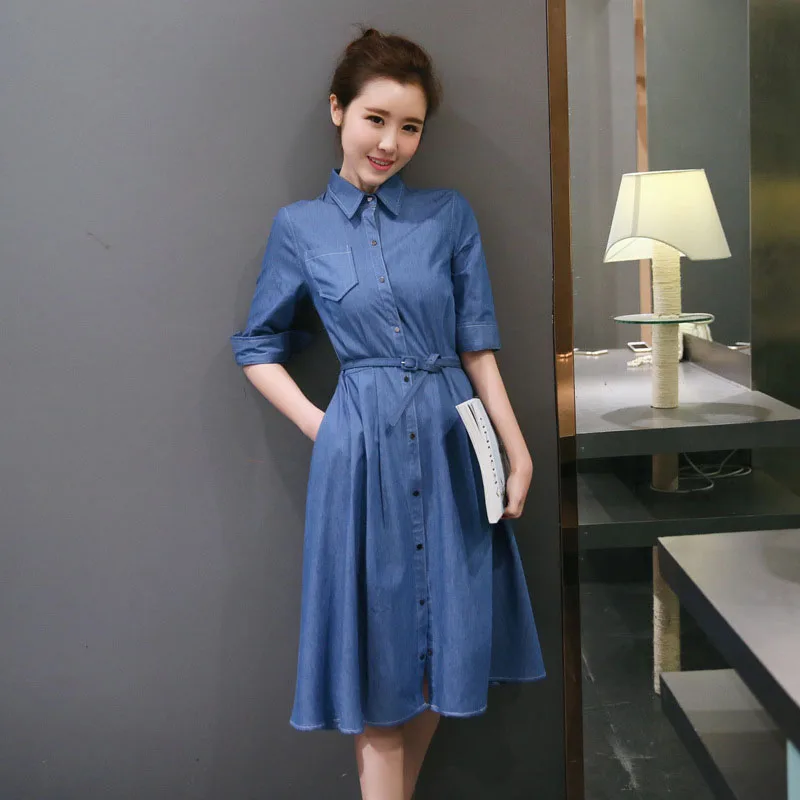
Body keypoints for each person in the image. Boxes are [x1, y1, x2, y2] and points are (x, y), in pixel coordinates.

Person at [230, 26, 545, 800]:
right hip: (361, 457)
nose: (390, 143)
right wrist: (323, 426)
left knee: (445, 658)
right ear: (338, 110)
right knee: (378, 667)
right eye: (376, 119)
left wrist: (517, 451)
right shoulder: (300, 228)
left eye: (410, 127)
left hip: (452, 447)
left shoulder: (448, 215)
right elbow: (256, 346)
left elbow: (477, 347)